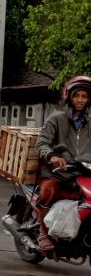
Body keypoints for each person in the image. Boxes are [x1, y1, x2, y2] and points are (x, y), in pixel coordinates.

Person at [33, 75, 91, 252]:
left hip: (83, 174)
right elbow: (41, 143)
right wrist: (52, 156)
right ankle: (43, 232)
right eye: (76, 95)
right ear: (69, 96)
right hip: (56, 173)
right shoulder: (56, 119)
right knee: (48, 191)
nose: (80, 100)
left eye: (84, 96)